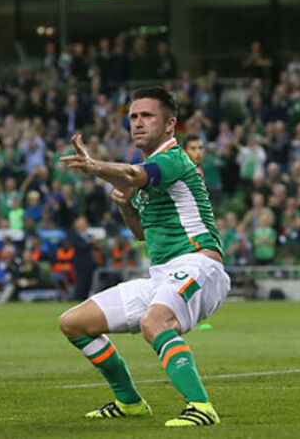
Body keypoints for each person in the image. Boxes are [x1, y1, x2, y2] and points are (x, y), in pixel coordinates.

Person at [58, 87, 230, 427]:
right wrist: (125, 207)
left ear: (170, 124)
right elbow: (141, 233)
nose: (137, 123)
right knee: (74, 323)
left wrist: (94, 166)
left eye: (147, 116)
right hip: (163, 274)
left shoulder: (173, 158)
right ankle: (129, 402)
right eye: (133, 117)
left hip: (199, 264)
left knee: (154, 323)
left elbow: (133, 175)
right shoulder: (149, 171)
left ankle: (201, 407)